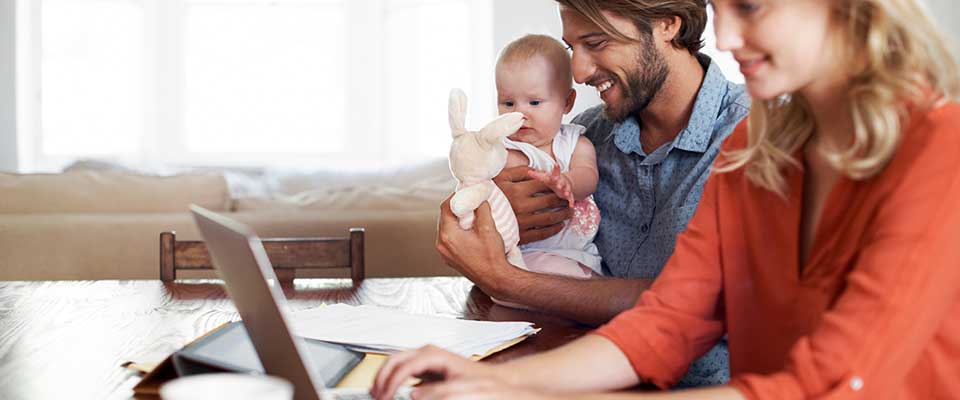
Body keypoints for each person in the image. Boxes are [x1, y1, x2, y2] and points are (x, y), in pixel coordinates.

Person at [371, 0, 960, 398]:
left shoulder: (942, 148)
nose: (726, 36)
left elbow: (830, 383)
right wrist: (503, 382)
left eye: (752, 6)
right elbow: (668, 322)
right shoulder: (757, 144)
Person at [441, 0, 750, 387]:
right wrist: (485, 204)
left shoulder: (757, 140)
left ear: (668, 26)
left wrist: (509, 281)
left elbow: (707, 302)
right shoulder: (587, 136)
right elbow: (479, 217)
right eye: (573, 48)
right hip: (578, 377)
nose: (579, 71)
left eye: (596, 42)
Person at [496, 34, 603, 281]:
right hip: (524, 252)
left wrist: (568, 183)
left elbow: (589, 175)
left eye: (534, 102)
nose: (520, 113)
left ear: (567, 102)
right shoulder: (503, 149)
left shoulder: (575, 143)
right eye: (508, 103)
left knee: (588, 285)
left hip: (577, 253)